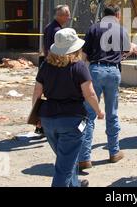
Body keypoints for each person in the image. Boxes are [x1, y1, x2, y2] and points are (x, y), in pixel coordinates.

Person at [32, 28, 104, 187]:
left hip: (48, 119)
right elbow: (90, 94)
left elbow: (37, 92)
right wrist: (99, 111)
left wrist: (36, 117)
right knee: (64, 166)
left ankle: (75, 184)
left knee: (65, 157)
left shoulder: (45, 66)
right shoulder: (79, 67)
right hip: (72, 121)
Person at [78, 5, 133, 170]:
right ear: (117, 14)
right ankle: (114, 152)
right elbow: (127, 50)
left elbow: (84, 55)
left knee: (89, 114)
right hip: (114, 71)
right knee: (112, 113)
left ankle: (84, 158)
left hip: (96, 70)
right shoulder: (121, 30)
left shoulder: (93, 28)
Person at [35, 5, 71, 135]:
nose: (68, 18)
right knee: (54, 96)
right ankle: (45, 125)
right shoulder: (57, 30)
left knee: (47, 95)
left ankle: (41, 125)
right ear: (60, 15)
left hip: (46, 64)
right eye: (67, 15)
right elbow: (55, 51)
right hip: (54, 65)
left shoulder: (49, 27)